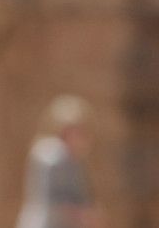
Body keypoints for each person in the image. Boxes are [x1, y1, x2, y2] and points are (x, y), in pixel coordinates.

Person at [15, 95, 104, 228]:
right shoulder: (50, 155)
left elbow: (81, 197)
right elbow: (56, 199)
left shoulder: (74, 159)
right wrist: (84, 214)